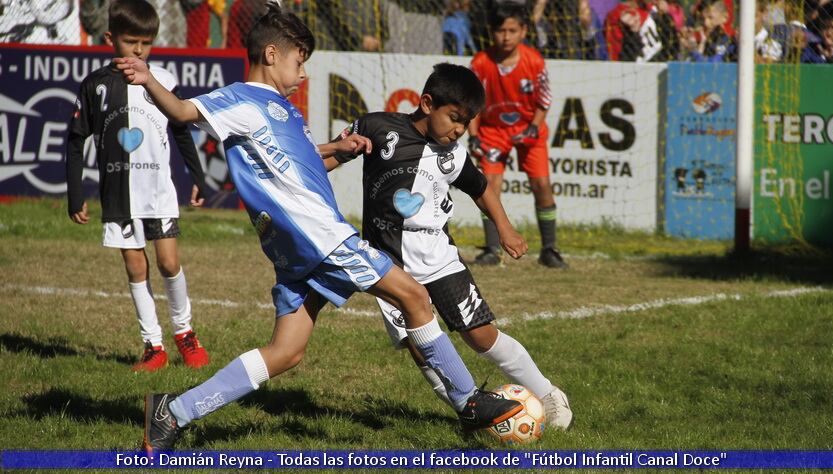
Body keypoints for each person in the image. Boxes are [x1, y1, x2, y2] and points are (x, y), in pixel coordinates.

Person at [114, 5, 523, 452]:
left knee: (286, 352)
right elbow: (181, 112)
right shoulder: (241, 98)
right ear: (271, 55)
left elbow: (298, 162)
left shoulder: (280, 108)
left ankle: (172, 413)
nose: (303, 73)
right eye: (298, 61)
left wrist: (340, 148)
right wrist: (148, 78)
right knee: (415, 295)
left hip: (297, 248)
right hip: (319, 235)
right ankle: (467, 402)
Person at [324, 63, 574, 429]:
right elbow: (329, 158)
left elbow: (481, 187)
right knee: (420, 345)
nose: (459, 130)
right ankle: (467, 411)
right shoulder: (376, 127)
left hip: (439, 259)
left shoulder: (453, 153)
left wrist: (504, 228)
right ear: (427, 104)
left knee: (481, 335)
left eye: (466, 122)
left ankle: (549, 395)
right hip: (387, 265)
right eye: (454, 118)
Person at [66, 0, 210, 373]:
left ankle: (185, 333)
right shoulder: (96, 85)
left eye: (146, 42)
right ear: (110, 38)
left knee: (168, 261)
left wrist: (198, 178)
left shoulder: (162, 79)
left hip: (159, 191)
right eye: (131, 42)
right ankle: (153, 345)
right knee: (135, 267)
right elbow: (75, 139)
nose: (139, 50)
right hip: (118, 195)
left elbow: (181, 131)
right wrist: (75, 194)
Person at [468, 2, 567, 269]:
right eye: (501, 30)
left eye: (512, 30)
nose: (506, 36)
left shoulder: (534, 61)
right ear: (491, 32)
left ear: (523, 31)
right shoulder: (480, 63)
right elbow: (473, 104)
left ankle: (549, 249)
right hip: (492, 131)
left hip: (528, 129)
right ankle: (491, 249)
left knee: (542, 185)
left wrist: (534, 126)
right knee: (488, 186)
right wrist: (474, 135)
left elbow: (544, 99)